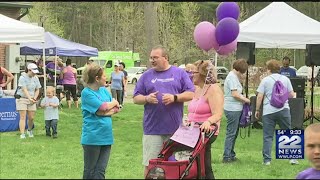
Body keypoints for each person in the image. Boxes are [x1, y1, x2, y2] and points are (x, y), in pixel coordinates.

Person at [132, 45, 195, 177]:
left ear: (165, 58)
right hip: (152, 130)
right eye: (151, 58)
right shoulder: (146, 76)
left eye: (155, 57)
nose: (152, 60)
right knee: (151, 166)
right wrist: (147, 98)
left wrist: (175, 97)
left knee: (174, 166)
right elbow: (136, 98)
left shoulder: (179, 73)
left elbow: (190, 94)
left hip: (175, 130)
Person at [81, 63, 120, 179]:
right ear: (97, 78)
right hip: (92, 138)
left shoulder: (103, 91)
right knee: (90, 171)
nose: (106, 78)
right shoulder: (86, 93)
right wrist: (112, 103)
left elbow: (116, 109)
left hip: (106, 137)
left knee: (101, 171)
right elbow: (103, 107)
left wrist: (103, 111)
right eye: (104, 76)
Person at [255, 59, 297, 165]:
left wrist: (257, 109)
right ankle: (292, 158)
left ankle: (267, 160)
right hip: (284, 109)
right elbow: (292, 95)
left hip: (269, 111)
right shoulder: (286, 79)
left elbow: (259, 96)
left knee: (268, 136)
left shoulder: (265, 80)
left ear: (269, 69)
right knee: (287, 132)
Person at [187, 60, 224, 179]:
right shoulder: (197, 89)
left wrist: (208, 122)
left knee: (203, 165)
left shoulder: (213, 89)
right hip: (192, 131)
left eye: (194, 72)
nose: (191, 74)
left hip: (206, 132)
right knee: (193, 164)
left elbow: (218, 113)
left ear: (203, 74)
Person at [223, 59, 251, 163]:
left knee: (234, 133)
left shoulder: (234, 76)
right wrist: (247, 100)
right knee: (231, 133)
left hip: (236, 108)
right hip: (232, 108)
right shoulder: (232, 77)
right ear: (240, 70)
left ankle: (231, 153)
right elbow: (234, 94)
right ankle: (226, 156)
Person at [16, 63, 41, 139]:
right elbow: (24, 89)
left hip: (32, 99)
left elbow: (37, 89)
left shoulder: (36, 78)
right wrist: (29, 98)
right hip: (22, 98)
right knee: (23, 116)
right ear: (29, 70)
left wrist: (34, 98)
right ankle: (22, 134)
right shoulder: (22, 77)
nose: (34, 74)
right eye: (33, 72)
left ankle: (29, 130)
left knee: (31, 117)